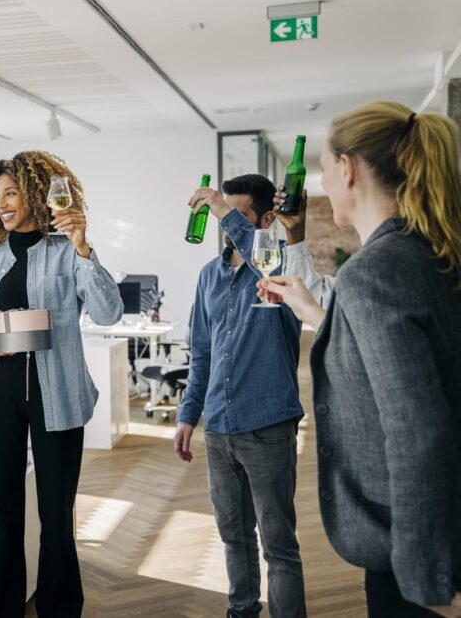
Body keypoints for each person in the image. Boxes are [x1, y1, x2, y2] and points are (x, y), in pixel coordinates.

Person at [261, 102, 461, 618]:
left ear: (347, 169)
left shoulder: (374, 271)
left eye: (325, 167)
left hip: (410, 536)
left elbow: (416, 425)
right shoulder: (430, 250)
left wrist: (423, 572)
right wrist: (312, 311)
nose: (322, 181)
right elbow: (399, 366)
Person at [0, 151, 122, 618]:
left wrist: (85, 246)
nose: (3, 203)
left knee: (56, 513)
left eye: (11, 193)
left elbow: (109, 313)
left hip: (58, 397)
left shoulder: (68, 250)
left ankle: (61, 608)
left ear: (34, 193)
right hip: (0, 396)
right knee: (1, 511)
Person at [174, 173, 307, 618]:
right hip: (219, 429)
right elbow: (203, 352)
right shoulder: (208, 276)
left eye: (235, 216)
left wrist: (223, 210)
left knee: (279, 546)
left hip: (268, 427)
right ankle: (241, 611)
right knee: (233, 536)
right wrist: (187, 414)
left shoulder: (282, 268)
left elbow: (264, 256)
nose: (223, 226)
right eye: (221, 215)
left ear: (266, 219)